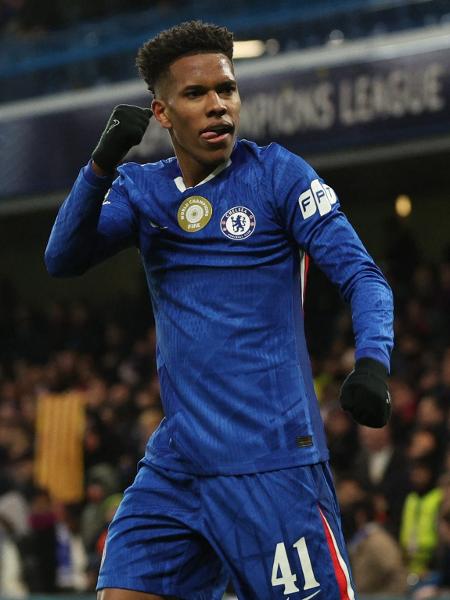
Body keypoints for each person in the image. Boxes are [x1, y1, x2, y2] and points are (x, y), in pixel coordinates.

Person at [45, 20, 394, 600]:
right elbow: (62, 258)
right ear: (161, 113)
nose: (218, 106)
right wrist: (99, 167)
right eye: (195, 93)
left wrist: (373, 362)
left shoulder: (278, 175)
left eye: (226, 89)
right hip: (179, 463)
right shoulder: (141, 189)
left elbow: (364, 276)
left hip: (273, 462)